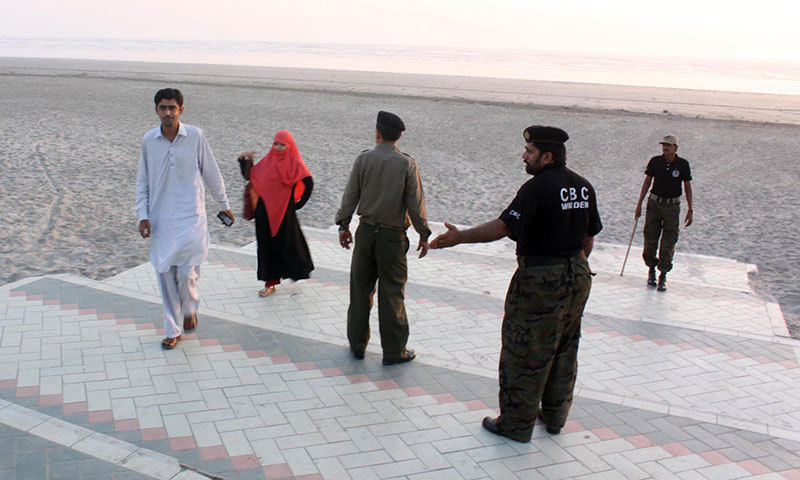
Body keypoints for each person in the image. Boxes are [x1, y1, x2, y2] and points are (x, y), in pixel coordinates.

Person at [430, 125, 602, 442]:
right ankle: (553, 418)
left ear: (547, 156)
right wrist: (575, 265)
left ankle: (516, 425)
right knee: (564, 347)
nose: (524, 156)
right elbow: (588, 236)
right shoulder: (583, 186)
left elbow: (502, 226)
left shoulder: (536, 188)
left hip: (541, 278)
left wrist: (459, 238)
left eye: (530, 151)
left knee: (524, 352)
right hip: (577, 274)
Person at [135, 88, 233, 349]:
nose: (167, 112)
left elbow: (211, 172)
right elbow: (142, 181)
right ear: (156, 110)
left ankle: (189, 308)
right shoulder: (149, 141)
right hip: (161, 219)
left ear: (181, 109)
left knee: (188, 272)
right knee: (165, 272)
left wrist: (224, 204)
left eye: (172, 107)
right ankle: (172, 329)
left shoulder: (195, 136)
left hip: (192, 215)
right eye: (163, 108)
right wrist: (143, 215)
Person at [335, 110, 431, 366]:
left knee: (359, 291)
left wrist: (343, 225)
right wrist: (423, 233)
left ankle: (357, 346)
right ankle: (394, 351)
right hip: (392, 237)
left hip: (365, 233)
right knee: (392, 294)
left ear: (377, 133)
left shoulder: (363, 160)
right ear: (398, 137)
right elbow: (415, 203)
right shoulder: (407, 164)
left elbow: (350, 197)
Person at [239, 130, 314, 297]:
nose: (278, 147)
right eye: (276, 144)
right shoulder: (268, 160)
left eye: (282, 144)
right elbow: (251, 176)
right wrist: (245, 161)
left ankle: (295, 272)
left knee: (289, 244)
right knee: (266, 248)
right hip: (264, 213)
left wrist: (299, 204)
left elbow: (308, 182)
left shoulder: (295, 162)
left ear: (290, 145)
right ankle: (270, 283)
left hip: (284, 213)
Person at [634, 135, 693, 292]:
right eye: (663, 145)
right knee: (650, 238)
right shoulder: (655, 161)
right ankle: (651, 271)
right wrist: (639, 203)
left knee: (669, 241)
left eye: (668, 145)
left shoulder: (683, 165)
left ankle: (663, 275)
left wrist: (690, 209)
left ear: (675, 148)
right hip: (654, 204)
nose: (665, 148)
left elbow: (687, 186)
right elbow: (647, 182)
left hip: (672, 207)